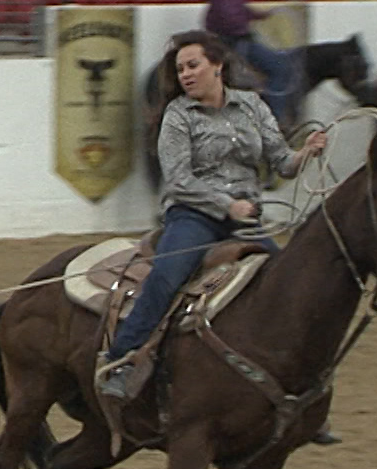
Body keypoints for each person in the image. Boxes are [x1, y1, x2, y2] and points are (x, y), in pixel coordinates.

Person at [98, 31, 328, 404]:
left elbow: (282, 162)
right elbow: (179, 179)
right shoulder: (177, 116)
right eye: (180, 69)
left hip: (246, 221)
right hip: (194, 216)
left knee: (288, 288)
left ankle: (300, 384)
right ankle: (121, 361)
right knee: (167, 276)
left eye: (193, 65)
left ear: (217, 65)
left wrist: (306, 153)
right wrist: (227, 205)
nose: (186, 74)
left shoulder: (252, 105)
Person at [204, 0, 298, 128]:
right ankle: (274, 120)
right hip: (233, 42)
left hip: (228, 40)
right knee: (279, 66)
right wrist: (247, 26)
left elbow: (237, 13)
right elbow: (231, 19)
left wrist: (257, 15)